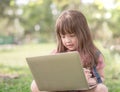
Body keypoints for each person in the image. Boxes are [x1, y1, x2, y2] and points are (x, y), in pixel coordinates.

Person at [30, 10, 108, 92]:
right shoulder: (56, 53)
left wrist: (90, 81)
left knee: (101, 89)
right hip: (61, 89)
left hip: (82, 90)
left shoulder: (94, 54)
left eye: (72, 35)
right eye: (63, 36)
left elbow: (101, 77)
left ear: (83, 33)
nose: (67, 40)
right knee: (35, 84)